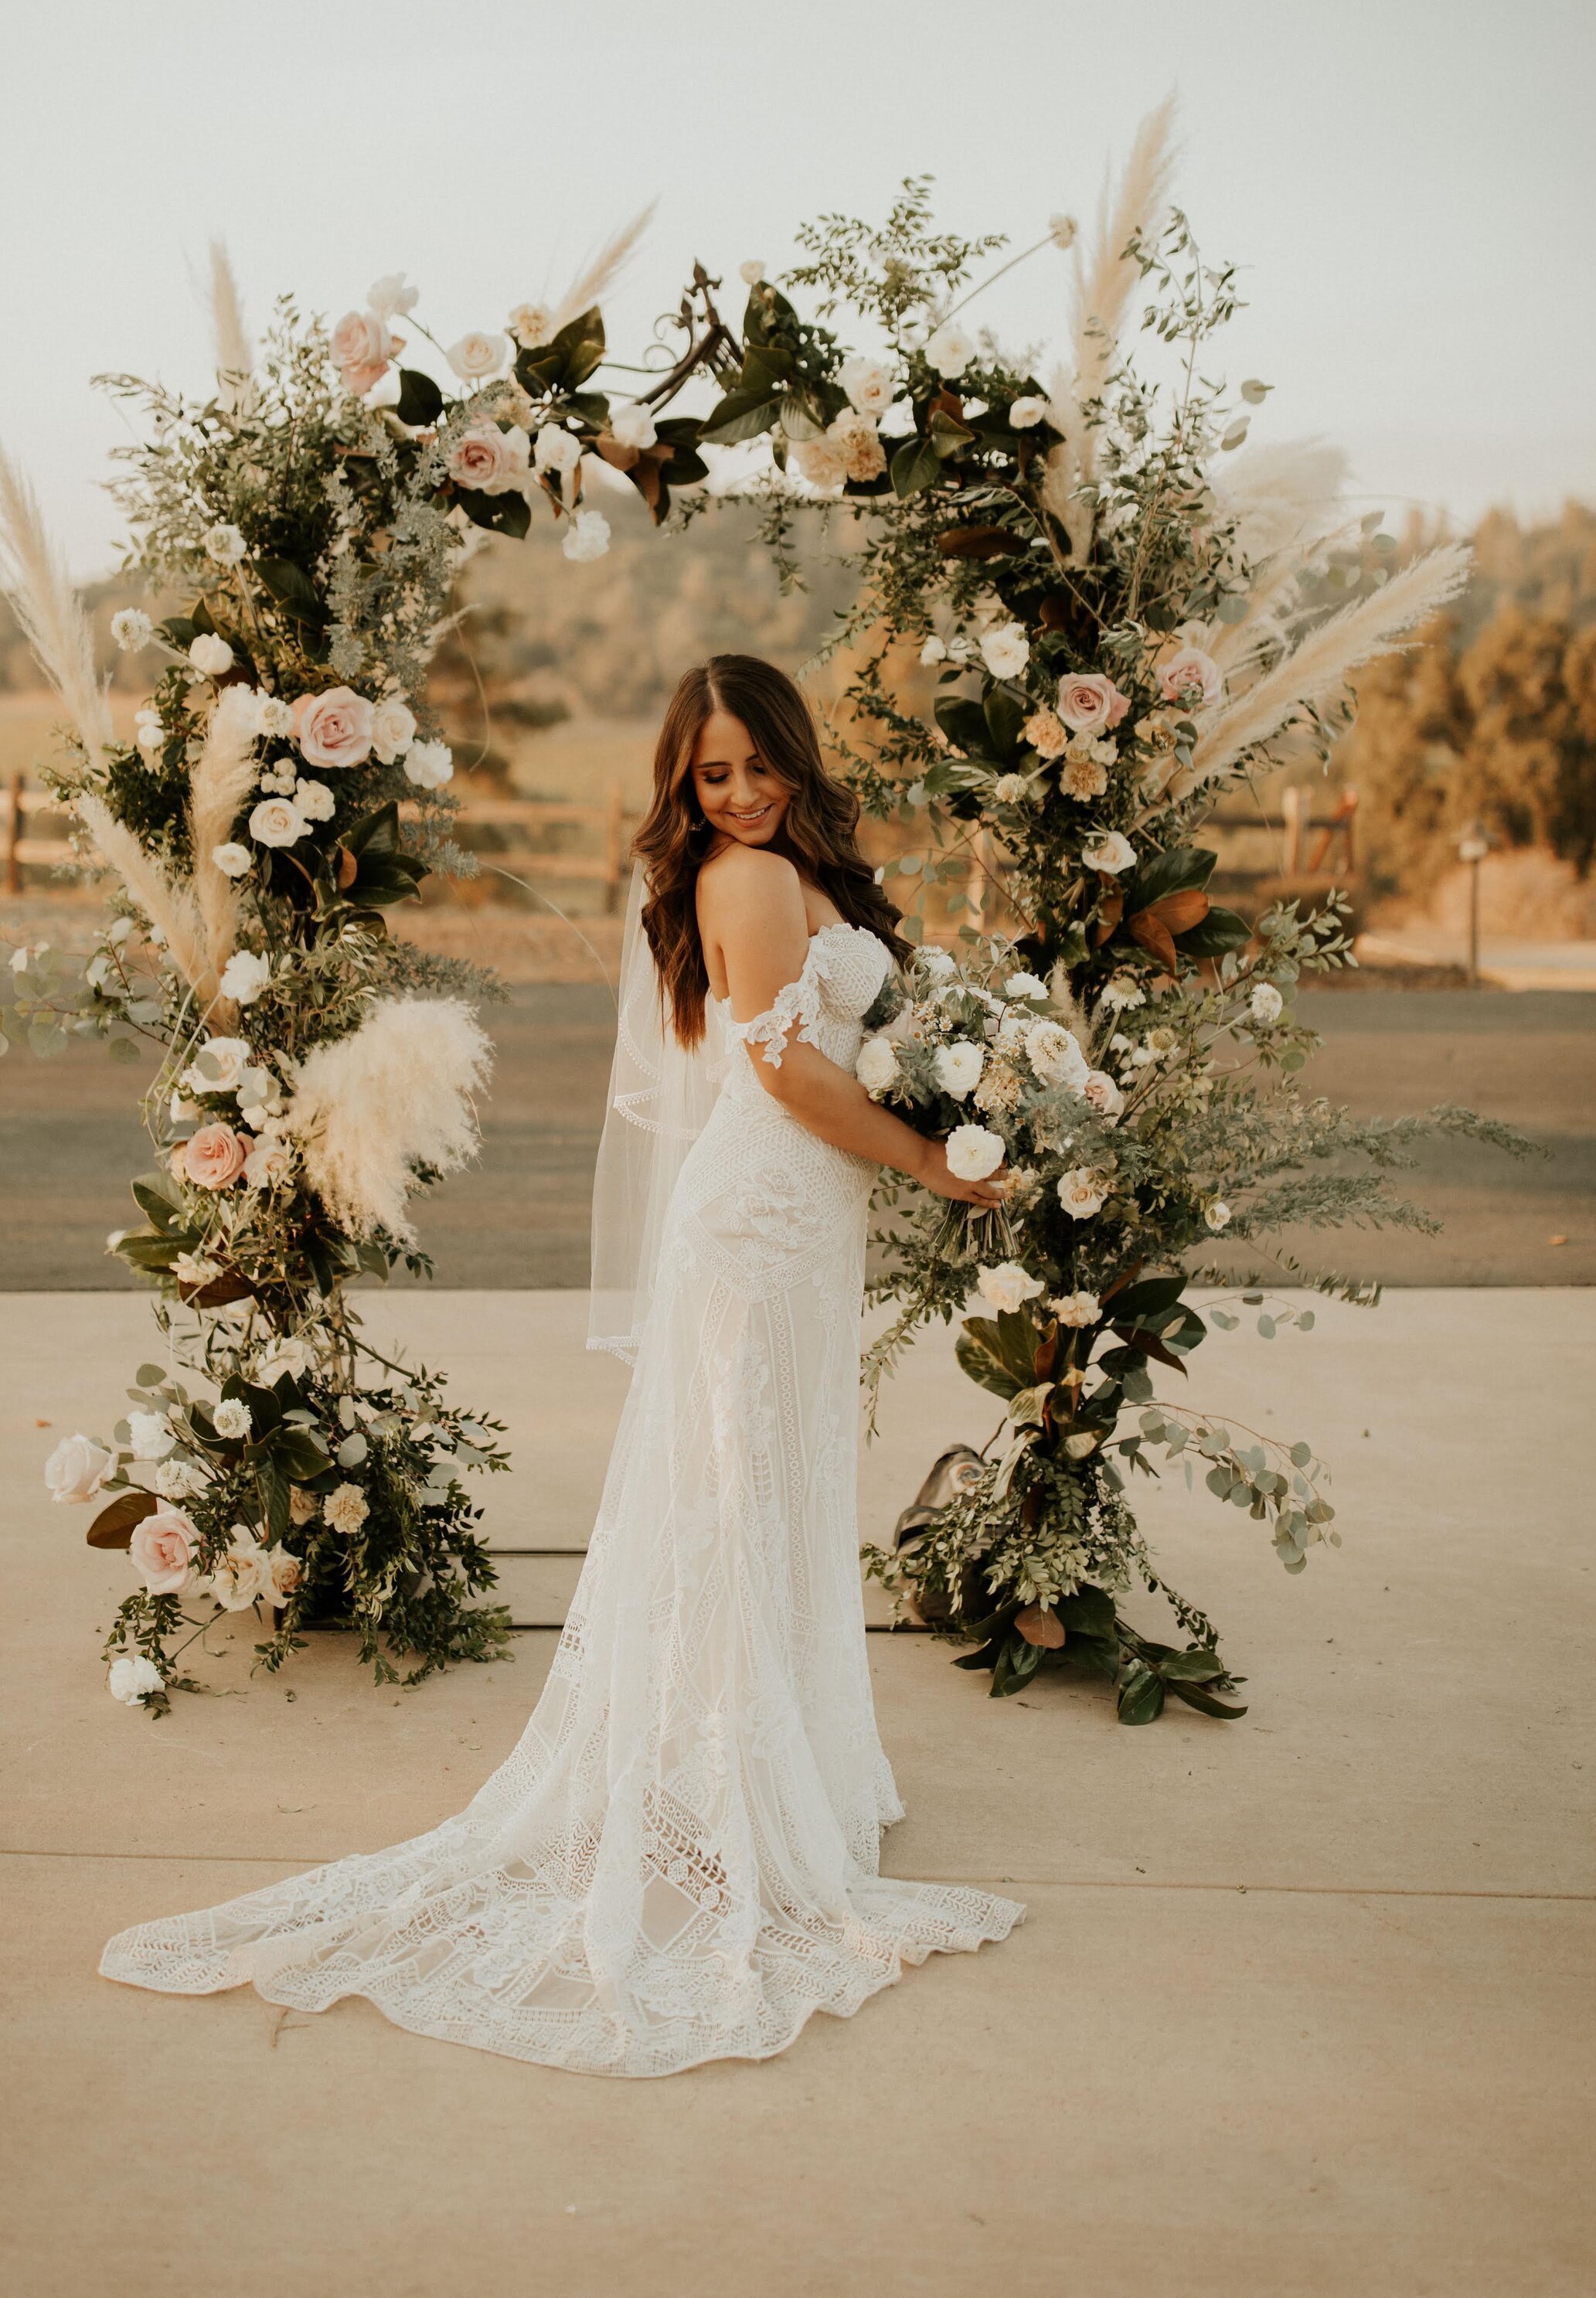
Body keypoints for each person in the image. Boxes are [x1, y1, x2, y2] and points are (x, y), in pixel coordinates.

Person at [100, 652, 1020, 2072]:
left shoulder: (788, 870)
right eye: (712, 775)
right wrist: (932, 1158)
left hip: (792, 1221)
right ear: (686, 786)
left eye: (759, 763)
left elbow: (818, 1042)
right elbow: (779, 1070)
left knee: (759, 1494)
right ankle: (728, 1787)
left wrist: (936, 1082)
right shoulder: (749, 878)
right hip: (763, 1222)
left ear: (794, 751)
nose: (742, 791)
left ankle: (762, 1763)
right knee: (736, 1498)